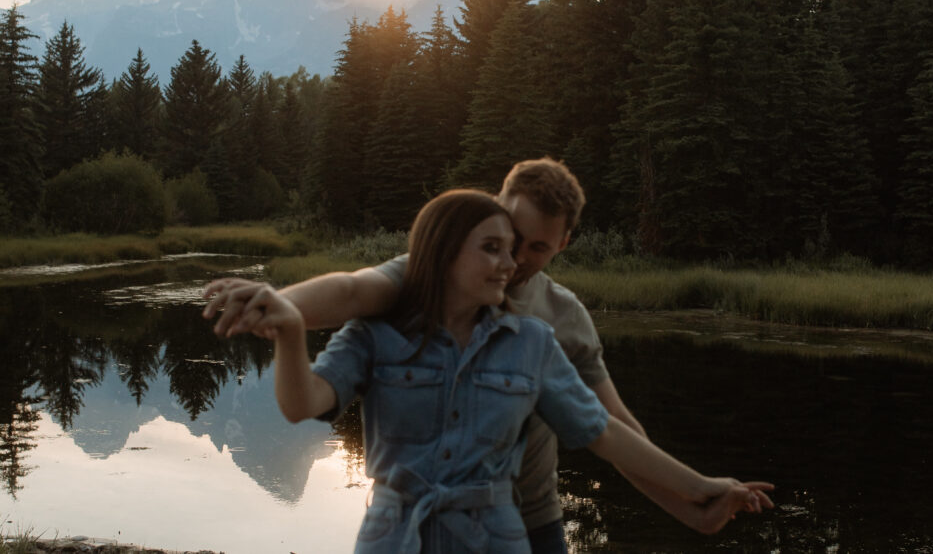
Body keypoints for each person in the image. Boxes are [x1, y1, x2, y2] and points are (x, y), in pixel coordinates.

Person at [203, 158, 768, 550]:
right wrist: (271, 306)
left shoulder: (557, 325)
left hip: (527, 521)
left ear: (564, 243)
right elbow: (350, 292)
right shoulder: (414, 285)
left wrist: (691, 502)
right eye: (503, 240)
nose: (514, 259)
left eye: (535, 248)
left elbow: (613, 431)